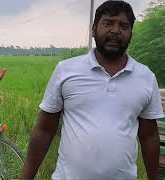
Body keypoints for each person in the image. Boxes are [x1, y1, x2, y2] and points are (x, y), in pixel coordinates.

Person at [20, 1, 163, 179]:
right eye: (108, 23)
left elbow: (149, 135)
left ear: (130, 34)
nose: (115, 30)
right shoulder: (66, 70)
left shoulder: (145, 77)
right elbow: (44, 129)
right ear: (94, 29)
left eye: (124, 26)